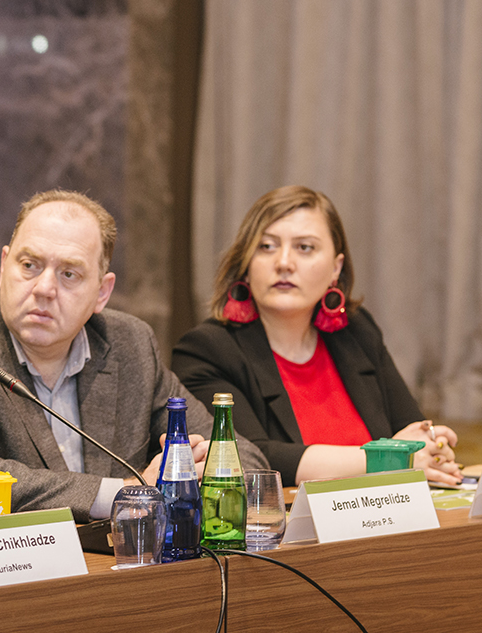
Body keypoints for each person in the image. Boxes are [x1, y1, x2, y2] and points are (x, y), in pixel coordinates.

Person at [0, 190, 267, 523]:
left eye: (69, 274)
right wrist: (126, 493)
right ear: (5, 264)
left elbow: (242, 457)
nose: (44, 288)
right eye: (29, 265)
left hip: (121, 563)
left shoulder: (130, 343)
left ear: (102, 293)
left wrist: (206, 471)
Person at [172, 186, 460, 487]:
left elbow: (411, 433)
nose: (284, 262)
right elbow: (250, 457)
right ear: (246, 265)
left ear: (336, 268)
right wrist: (391, 459)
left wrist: (432, 446)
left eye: (305, 247)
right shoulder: (206, 350)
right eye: (266, 246)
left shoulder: (355, 332)